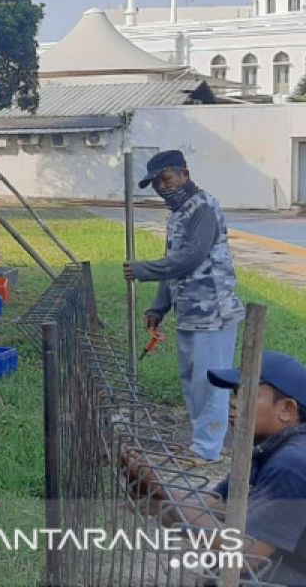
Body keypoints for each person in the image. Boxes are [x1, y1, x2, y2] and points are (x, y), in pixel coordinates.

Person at [121, 350, 306, 586]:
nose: (234, 402)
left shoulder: (293, 464)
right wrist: (160, 501)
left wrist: (164, 489)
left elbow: (245, 554)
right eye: (235, 393)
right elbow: (220, 506)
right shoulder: (265, 448)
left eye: (247, 394)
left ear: (286, 411)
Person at [124, 149, 245, 463]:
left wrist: (143, 270)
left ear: (185, 174)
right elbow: (173, 263)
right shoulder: (178, 213)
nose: (163, 187)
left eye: (166, 179)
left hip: (213, 311)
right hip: (190, 311)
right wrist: (158, 306)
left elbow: (190, 257)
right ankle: (201, 442)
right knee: (192, 381)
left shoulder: (203, 207)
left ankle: (207, 450)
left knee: (210, 382)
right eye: (156, 184)